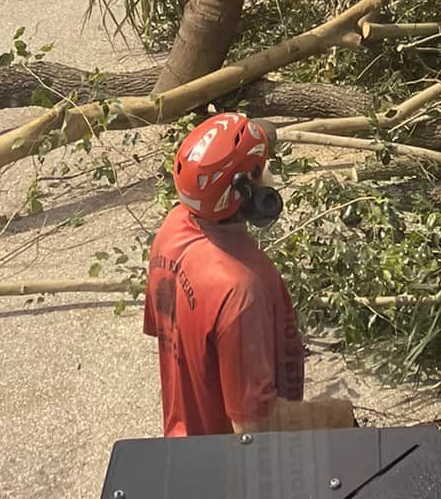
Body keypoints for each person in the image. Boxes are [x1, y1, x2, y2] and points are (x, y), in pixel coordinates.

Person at [144, 111, 355, 437]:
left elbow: (170, 343)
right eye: (264, 168)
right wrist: (337, 414)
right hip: (230, 469)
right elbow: (255, 427)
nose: (270, 172)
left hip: (183, 443)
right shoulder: (240, 289)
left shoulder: (170, 232)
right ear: (248, 193)